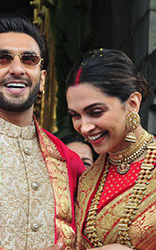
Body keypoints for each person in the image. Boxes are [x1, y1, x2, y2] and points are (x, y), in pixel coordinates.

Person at [0, 13, 85, 250]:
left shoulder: (69, 163)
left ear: (42, 79)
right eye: (2, 58)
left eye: (29, 60)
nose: (17, 69)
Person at [65, 48, 156, 250]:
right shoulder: (87, 181)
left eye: (95, 112)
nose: (85, 127)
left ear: (132, 103)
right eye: (76, 115)